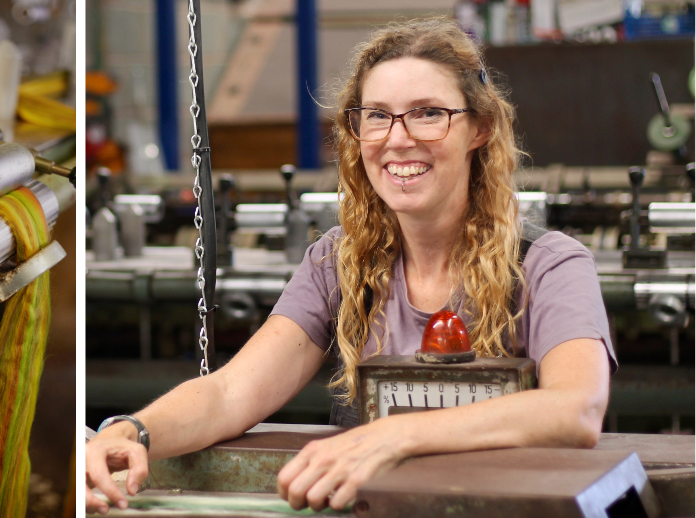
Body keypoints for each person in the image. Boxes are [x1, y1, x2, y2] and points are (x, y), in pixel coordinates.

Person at [85, 17, 616, 514]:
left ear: (477, 128)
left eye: (429, 113)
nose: (397, 137)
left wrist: (390, 436)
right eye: (377, 116)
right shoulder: (339, 263)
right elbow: (231, 392)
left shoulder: (549, 265)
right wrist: (130, 432)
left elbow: (575, 409)